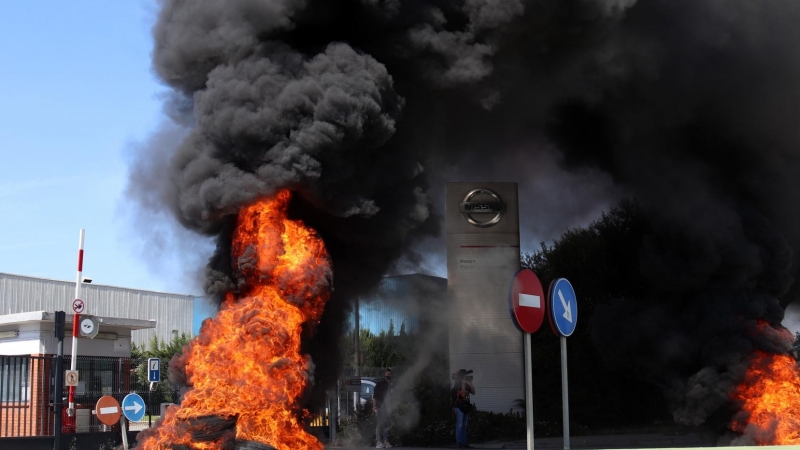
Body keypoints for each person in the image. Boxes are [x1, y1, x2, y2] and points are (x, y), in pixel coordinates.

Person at [451, 369, 476, 449]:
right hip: (459, 407)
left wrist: (470, 383)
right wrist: (462, 384)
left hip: (465, 407)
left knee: (464, 426)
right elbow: (462, 395)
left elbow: (473, 392)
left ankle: (465, 443)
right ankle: (459, 443)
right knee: (459, 425)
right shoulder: (457, 384)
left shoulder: (466, 384)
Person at [373, 368, 394, 448]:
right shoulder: (380, 384)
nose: (388, 376)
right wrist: (374, 406)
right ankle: (378, 441)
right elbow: (375, 396)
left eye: (390, 374)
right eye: (387, 374)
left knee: (386, 424)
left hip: (388, 408)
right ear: (385, 375)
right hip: (380, 407)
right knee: (380, 423)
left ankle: (385, 441)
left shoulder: (392, 385)